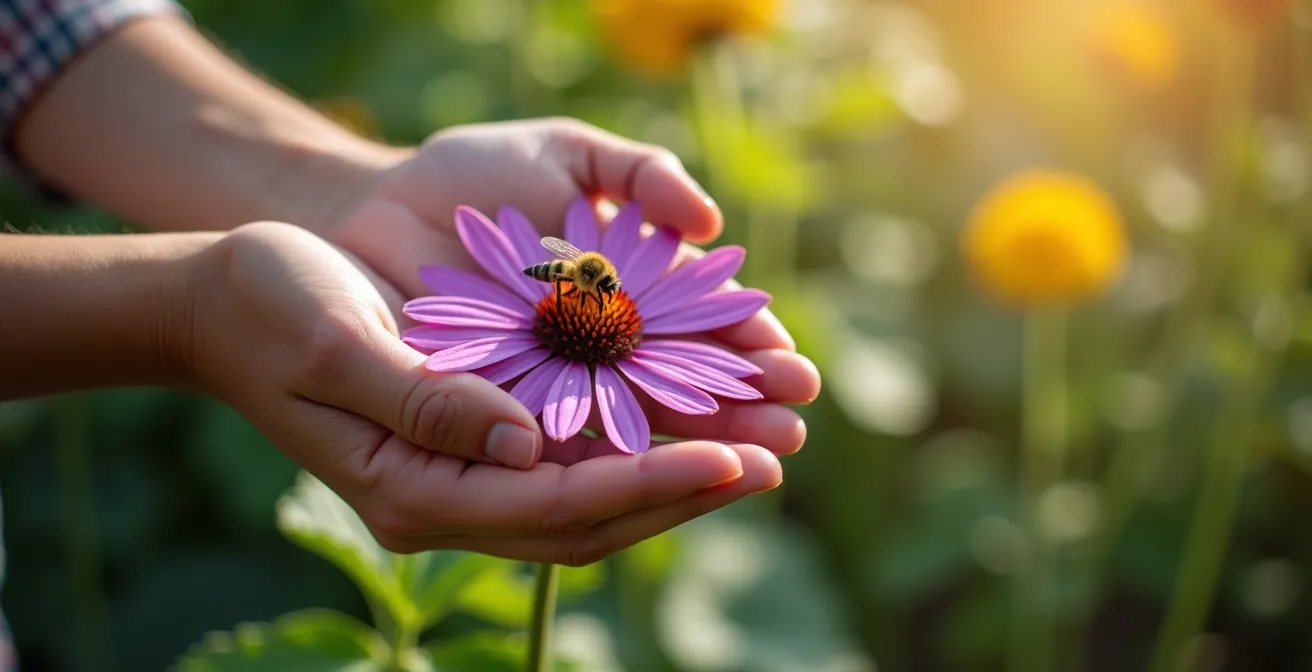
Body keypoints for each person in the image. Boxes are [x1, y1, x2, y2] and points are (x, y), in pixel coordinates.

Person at [0, 1, 820, 667]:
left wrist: (338, 189)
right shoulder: (560, 286)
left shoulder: (600, 289)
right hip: (518, 326)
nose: (597, 291)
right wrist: (186, 314)